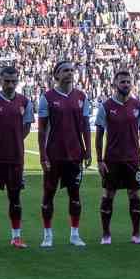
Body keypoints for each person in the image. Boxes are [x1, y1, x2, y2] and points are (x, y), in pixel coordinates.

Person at [37, 60, 92, 248]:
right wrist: (43, 155)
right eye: (65, 71)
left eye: (71, 70)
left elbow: (85, 125)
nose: (69, 73)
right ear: (57, 75)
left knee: (75, 195)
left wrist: (88, 150)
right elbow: (42, 130)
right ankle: (47, 235)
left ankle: (75, 234)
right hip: (54, 155)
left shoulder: (81, 97)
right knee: (48, 194)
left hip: (75, 154)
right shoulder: (48, 98)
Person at [0, 65, 33, 249]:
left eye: (13, 81)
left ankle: (16, 237)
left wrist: (15, 140)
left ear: (17, 81)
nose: (10, 84)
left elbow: (26, 127)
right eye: (6, 81)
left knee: (15, 198)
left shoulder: (25, 102)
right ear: (0, 81)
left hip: (15, 158)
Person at [94, 67, 140, 246]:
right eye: (122, 81)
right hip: (112, 159)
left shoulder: (138, 106)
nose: (126, 84)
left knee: (134, 194)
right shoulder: (106, 106)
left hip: (133, 159)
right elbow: (99, 134)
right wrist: (99, 160)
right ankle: (106, 235)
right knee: (109, 194)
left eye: (128, 82)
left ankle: (136, 234)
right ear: (115, 84)